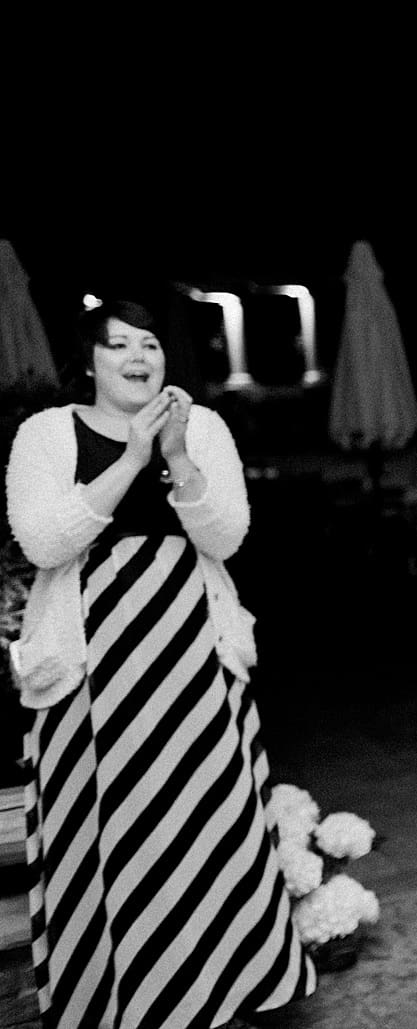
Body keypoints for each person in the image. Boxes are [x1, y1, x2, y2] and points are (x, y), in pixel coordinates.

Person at [6, 300, 314, 1027]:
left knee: (207, 821)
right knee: (112, 829)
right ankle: (122, 1001)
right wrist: (132, 461)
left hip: (191, 659)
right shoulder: (45, 433)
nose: (139, 356)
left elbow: (227, 535)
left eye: (149, 343)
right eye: (118, 346)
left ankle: (220, 991)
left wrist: (176, 455)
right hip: (95, 671)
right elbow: (44, 542)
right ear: (89, 361)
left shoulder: (201, 425)